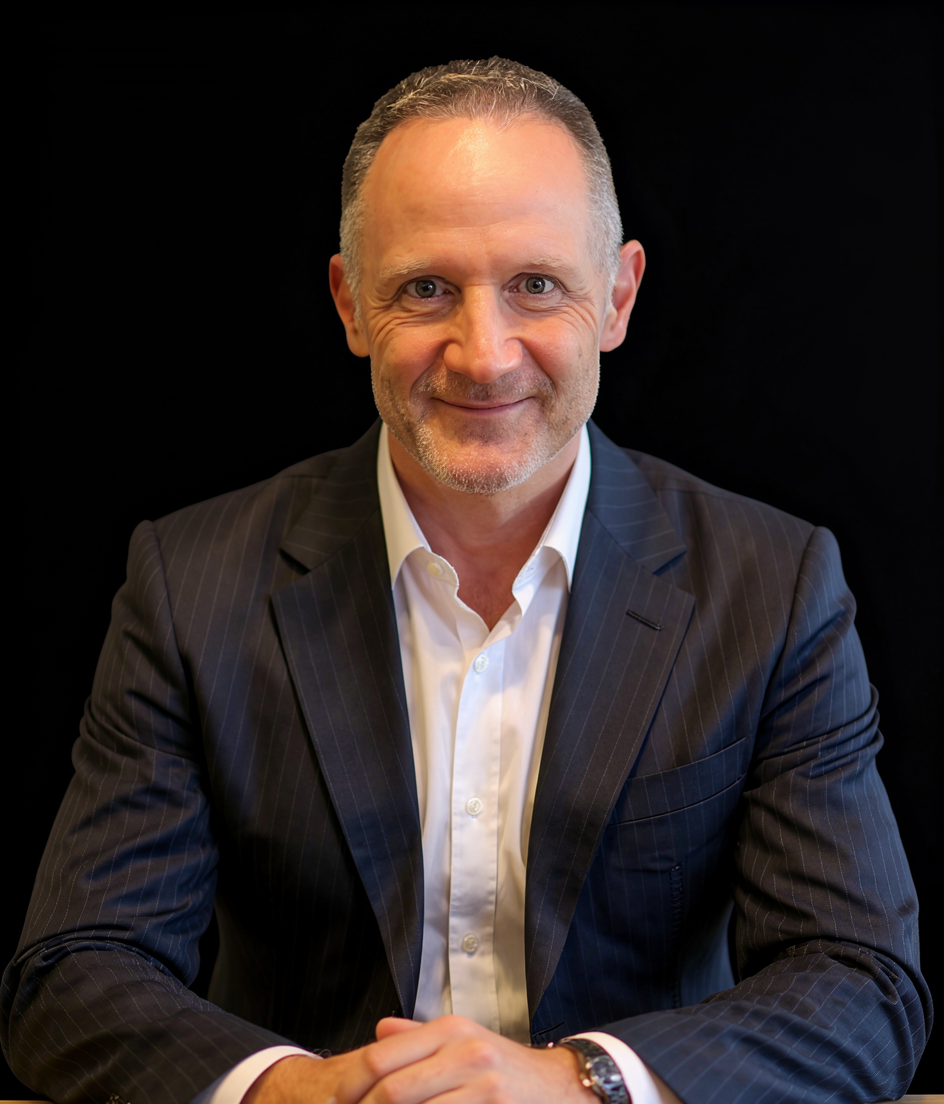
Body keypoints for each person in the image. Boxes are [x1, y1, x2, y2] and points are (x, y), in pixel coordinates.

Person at [1, 58, 931, 1104]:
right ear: (351, 305)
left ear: (616, 297)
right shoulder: (189, 585)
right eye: (425, 289)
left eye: (536, 285)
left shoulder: (771, 587)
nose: (483, 356)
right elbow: (72, 973)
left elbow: (860, 985)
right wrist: (295, 1093)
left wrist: (579, 1085)